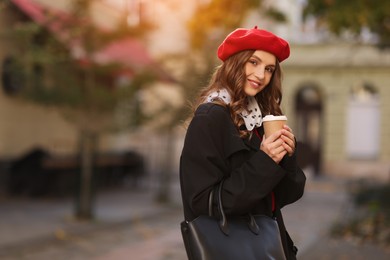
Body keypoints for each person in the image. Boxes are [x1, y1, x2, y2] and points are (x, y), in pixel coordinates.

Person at [179, 26, 306, 259]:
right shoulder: (210, 117)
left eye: (269, 69)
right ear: (236, 62)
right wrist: (265, 160)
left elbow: (284, 197)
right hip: (229, 249)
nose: (261, 75)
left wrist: (286, 155)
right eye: (254, 62)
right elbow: (202, 203)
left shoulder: (260, 119)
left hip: (270, 247)